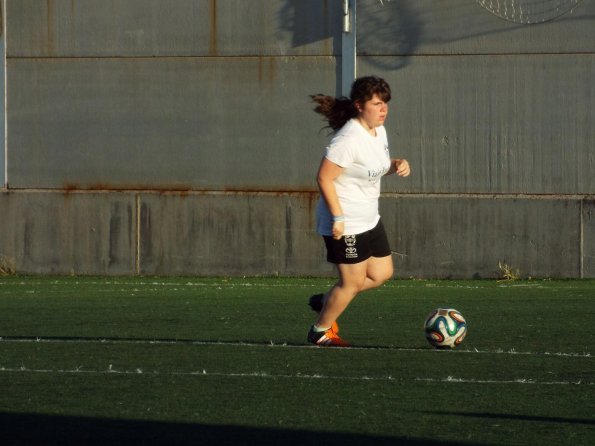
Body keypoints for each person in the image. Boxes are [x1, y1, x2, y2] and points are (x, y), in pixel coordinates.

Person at [307, 76, 411, 347]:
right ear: (359, 105)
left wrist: (396, 164)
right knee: (351, 283)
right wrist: (338, 218)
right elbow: (324, 178)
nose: (383, 109)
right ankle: (320, 330)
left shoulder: (378, 131)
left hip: (370, 218)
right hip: (347, 223)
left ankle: (329, 300)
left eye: (385, 103)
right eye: (377, 104)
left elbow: (371, 167)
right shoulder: (347, 140)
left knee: (380, 274)